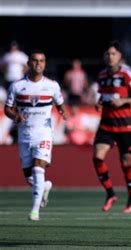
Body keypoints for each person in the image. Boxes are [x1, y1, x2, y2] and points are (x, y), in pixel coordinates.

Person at [4, 49, 67, 221]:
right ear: (28, 63)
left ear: (45, 64)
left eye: (42, 60)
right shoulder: (17, 86)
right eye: (35, 60)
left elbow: (60, 103)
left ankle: (35, 210)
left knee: (39, 167)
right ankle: (45, 186)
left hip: (44, 133)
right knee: (29, 176)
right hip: (24, 134)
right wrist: (15, 116)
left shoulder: (52, 85)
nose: (38, 63)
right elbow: (7, 109)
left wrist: (63, 111)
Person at [92, 42, 131, 214]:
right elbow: (103, 96)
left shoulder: (127, 75)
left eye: (113, 53)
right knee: (97, 158)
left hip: (124, 126)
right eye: (107, 54)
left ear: (120, 56)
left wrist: (123, 101)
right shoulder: (101, 75)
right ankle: (110, 193)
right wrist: (99, 104)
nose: (110, 56)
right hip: (106, 124)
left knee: (126, 164)